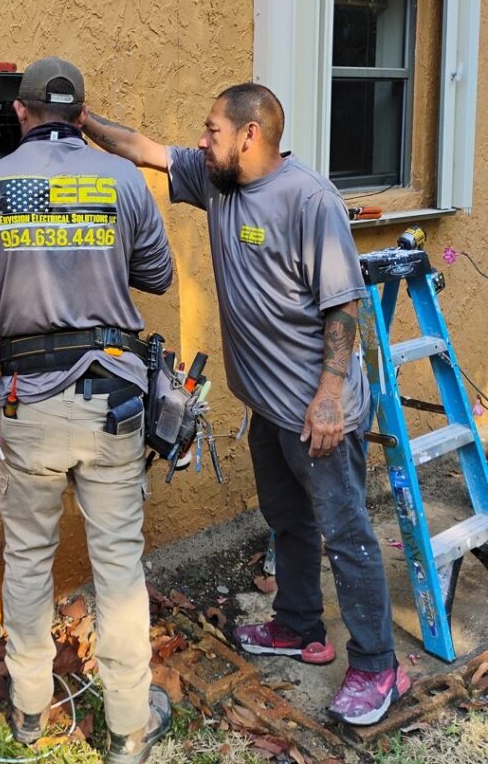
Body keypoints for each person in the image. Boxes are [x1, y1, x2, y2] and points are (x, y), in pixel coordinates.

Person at [82, 82, 410, 727]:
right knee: (287, 520)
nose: (201, 141)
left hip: (318, 411)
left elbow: (344, 307)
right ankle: (299, 627)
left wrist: (328, 398)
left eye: (211, 130)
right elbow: (144, 149)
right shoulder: (217, 183)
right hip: (268, 403)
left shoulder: (310, 201)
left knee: (346, 536)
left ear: (250, 134)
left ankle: (378, 665)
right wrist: (81, 118)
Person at [0, 57, 173, 764]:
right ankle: (129, 728)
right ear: (82, 113)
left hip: (26, 402)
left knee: (29, 561)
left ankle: (30, 714)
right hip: (112, 401)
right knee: (118, 566)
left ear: (19, 112)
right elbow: (157, 274)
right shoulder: (123, 180)